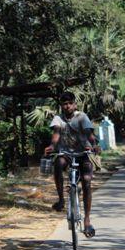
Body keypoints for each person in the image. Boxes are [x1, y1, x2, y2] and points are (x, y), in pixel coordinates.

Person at [44, 92, 101, 238]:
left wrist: (94, 145)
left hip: (83, 153)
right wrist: (52, 146)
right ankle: (61, 200)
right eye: (64, 104)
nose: (67, 106)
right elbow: (56, 134)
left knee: (87, 181)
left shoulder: (81, 117)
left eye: (70, 103)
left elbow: (89, 134)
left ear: (74, 104)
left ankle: (87, 220)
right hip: (66, 154)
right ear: (61, 106)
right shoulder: (58, 118)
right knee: (58, 163)